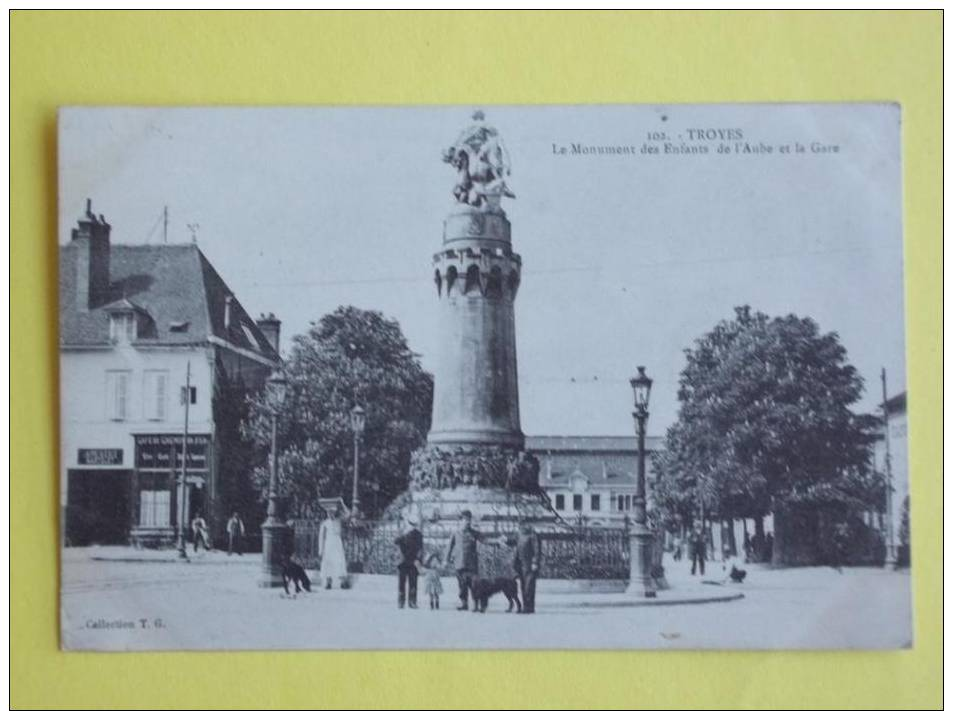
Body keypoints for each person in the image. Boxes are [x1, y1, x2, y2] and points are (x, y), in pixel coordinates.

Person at [444, 509, 496, 610]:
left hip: (472, 565)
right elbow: (449, 547)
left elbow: (485, 540)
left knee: (474, 585)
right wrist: (445, 560)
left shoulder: (474, 533)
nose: (467, 522)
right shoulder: (455, 533)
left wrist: (497, 541)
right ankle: (464, 604)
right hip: (459, 564)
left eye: (468, 520)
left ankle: (476, 605)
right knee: (462, 586)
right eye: (465, 520)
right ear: (461, 521)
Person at [395, 515, 424, 609]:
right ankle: (401, 601)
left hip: (413, 562)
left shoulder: (418, 534)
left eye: (414, 525)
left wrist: (418, 560)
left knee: (413, 582)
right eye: (410, 524)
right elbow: (395, 541)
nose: (412, 526)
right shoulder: (402, 532)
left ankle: (412, 602)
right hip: (402, 561)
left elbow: (420, 548)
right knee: (401, 583)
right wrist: (403, 533)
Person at [513, 521, 542, 614]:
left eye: (524, 524)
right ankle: (526, 606)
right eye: (520, 524)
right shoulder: (519, 535)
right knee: (522, 586)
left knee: (529, 586)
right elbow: (516, 546)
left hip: (529, 564)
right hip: (521, 564)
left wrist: (535, 562)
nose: (522, 526)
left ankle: (530, 607)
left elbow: (537, 550)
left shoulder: (533, 535)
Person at [319, 505, 348, 589]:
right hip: (328, 544)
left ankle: (343, 582)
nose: (330, 514)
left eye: (332, 512)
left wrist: (342, 504)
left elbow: (348, 514)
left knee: (339, 561)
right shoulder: (324, 523)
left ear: (335, 513)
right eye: (329, 512)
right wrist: (321, 549)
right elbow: (322, 537)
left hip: (337, 543)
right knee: (328, 562)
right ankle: (328, 582)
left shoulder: (338, 521)